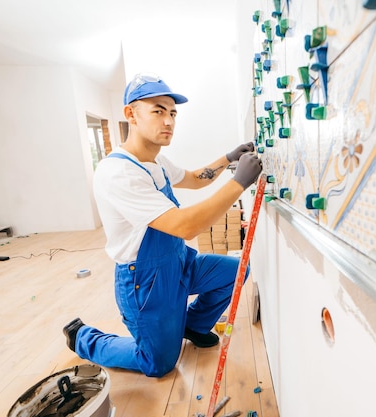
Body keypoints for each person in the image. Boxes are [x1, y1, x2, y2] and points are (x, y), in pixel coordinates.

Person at [63, 73, 263, 377]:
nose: (168, 121)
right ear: (131, 113)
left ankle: (192, 326)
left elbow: (195, 179)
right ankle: (83, 338)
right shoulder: (118, 173)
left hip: (179, 262)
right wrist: (238, 183)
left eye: (172, 113)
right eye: (157, 111)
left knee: (237, 272)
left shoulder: (157, 162)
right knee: (157, 363)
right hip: (144, 281)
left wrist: (228, 158)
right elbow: (185, 226)